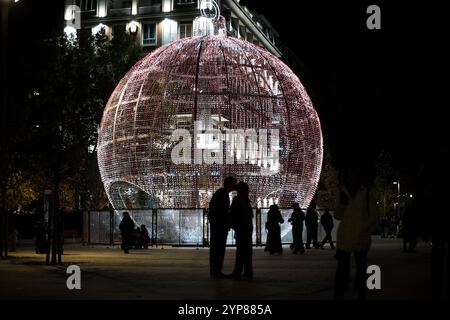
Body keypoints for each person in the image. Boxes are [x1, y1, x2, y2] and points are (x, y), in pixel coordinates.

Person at [333, 168, 379, 300]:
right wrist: (342, 204)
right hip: (345, 236)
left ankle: (361, 292)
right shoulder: (342, 192)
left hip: (360, 236)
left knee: (361, 268)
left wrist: (363, 228)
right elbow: (337, 215)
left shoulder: (367, 194)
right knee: (342, 269)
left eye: (354, 175)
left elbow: (375, 215)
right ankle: (339, 292)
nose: (352, 178)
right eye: (350, 176)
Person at [416, 146, 450, 299]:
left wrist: (424, 224)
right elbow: (422, 197)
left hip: (437, 216)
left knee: (438, 252)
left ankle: (436, 289)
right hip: (440, 215)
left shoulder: (428, 166)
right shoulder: (431, 166)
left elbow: (422, 197)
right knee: (439, 251)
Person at [208, 176, 237, 278]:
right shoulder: (222, 194)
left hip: (218, 225)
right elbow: (221, 211)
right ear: (229, 184)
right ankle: (216, 271)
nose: (235, 186)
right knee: (218, 249)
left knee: (217, 248)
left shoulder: (221, 193)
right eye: (234, 183)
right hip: (219, 226)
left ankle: (215, 270)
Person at [228, 181, 254, 279]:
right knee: (247, 250)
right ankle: (248, 271)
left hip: (241, 228)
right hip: (247, 228)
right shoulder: (247, 201)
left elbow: (233, 213)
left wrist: (231, 224)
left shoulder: (237, 199)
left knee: (240, 251)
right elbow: (250, 216)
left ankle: (237, 272)